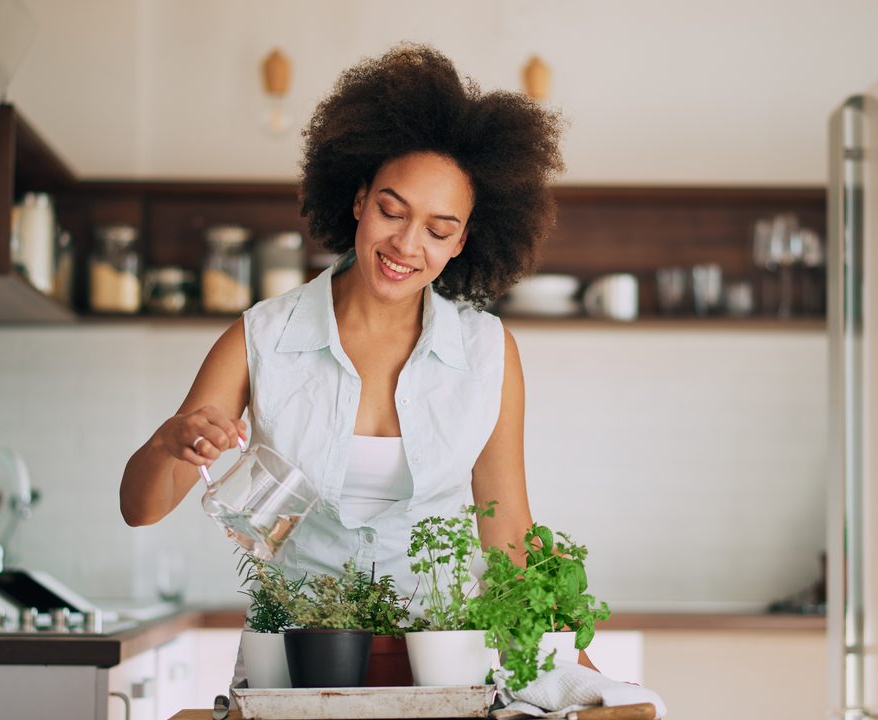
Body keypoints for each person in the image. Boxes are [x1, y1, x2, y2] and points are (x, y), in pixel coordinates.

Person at [119, 43, 582, 668]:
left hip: (438, 663)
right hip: (294, 662)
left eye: (438, 230)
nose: (407, 244)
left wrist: (569, 665)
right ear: (359, 199)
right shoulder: (261, 337)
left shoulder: (489, 353)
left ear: (463, 242)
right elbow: (140, 509)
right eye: (392, 210)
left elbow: (509, 536)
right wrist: (170, 442)